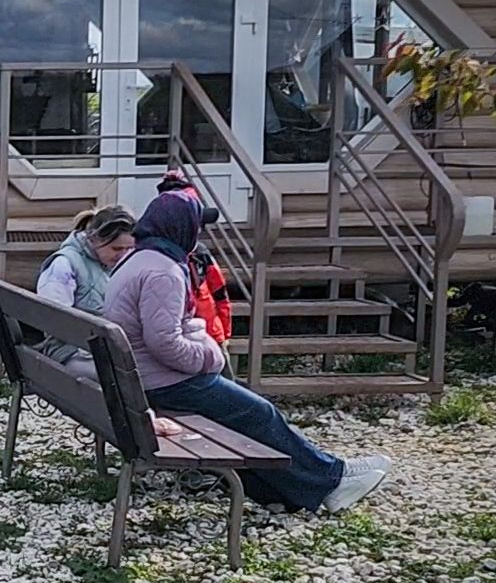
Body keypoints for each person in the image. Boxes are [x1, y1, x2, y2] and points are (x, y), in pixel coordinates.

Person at [104, 192, 392, 512]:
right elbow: (164, 344)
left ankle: (293, 488)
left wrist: (197, 336)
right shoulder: (163, 271)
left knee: (246, 416)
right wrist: (209, 357)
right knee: (258, 414)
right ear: (181, 228)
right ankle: (332, 481)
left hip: (141, 379)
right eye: (196, 226)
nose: (198, 234)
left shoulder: (138, 258)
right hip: (164, 385)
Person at [36, 204, 135, 379]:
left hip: (104, 350)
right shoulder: (64, 264)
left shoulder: (114, 264)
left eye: (129, 249)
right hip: (72, 353)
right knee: (137, 381)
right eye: (117, 249)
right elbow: (54, 320)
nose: (124, 255)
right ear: (95, 239)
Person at [156, 172, 233, 351]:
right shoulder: (157, 259)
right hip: (181, 342)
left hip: (211, 335)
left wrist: (224, 333)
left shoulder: (201, 254)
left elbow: (220, 294)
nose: (198, 229)